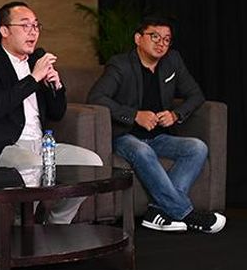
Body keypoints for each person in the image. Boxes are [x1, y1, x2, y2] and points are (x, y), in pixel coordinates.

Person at [87, 17, 225, 233]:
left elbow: (196, 95)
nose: (161, 43)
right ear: (138, 38)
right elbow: (96, 98)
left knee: (197, 147)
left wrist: (175, 115)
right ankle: (186, 214)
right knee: (142, 150)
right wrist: (134, 115)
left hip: (159, 136)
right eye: (155, 37)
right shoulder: (120, 64)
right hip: (125, 136)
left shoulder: (172, 61)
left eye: (167, 39)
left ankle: (157, 211)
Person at [0, 1, 102, 224]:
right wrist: (33, 78)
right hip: (6, 146)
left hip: (43, 145)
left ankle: (57, 223)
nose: (33, 32)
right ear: (4, 31)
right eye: (25, 25)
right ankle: (23, 229)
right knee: (32, 163)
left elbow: (58, 114)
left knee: (91, 164)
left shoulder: (36, 60)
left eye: (36, 25)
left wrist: (56, 86)